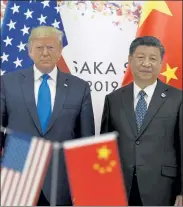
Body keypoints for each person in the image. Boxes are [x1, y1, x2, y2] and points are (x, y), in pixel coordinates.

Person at [1, 26, 95, 205]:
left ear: (60, 51)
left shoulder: (79, 87)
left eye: (51, 47)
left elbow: (86, 141)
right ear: (29, 51)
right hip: (17, 175)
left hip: (61, 179)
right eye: (39, 47)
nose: (45, 52)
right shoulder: (7, 83)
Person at [100, 36, 182, 206]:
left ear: (161, 63)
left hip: (163, 188)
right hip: (122, 188)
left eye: (153, 58)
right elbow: (105, 148)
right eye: (140, 57)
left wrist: (182, 192)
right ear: (130, 60)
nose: (146, 63)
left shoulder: (178, 99)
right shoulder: (113, 99)